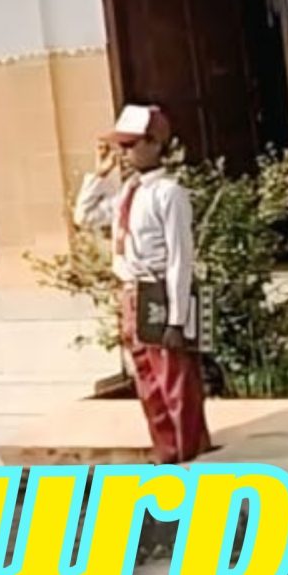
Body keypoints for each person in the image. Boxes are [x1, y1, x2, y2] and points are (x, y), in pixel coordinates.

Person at [71, 104, 211, 465]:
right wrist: (99, 176)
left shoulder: (169, 193)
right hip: (132, 291)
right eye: (123, 145)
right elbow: (83, 216)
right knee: (147, 380)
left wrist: (177, 319)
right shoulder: (128, 192)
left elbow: (181, 257)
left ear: (154, 143)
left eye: (132, 144)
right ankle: (165, 450)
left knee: (175, 380)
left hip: (160, 288)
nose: (125, 153)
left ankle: (189, 453)